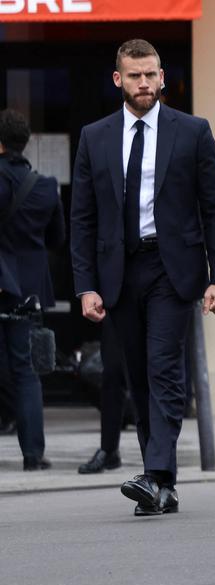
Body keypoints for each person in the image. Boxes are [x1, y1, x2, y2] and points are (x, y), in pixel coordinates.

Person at [70, 39, 215, 516]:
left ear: (162, 77)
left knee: (164, 368)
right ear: (118, 80)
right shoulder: (94, 137)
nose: (144, 83)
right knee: (138, 376)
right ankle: (161, 484)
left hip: (172, 268)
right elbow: (81, 217)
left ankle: (154, 473)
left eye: (151, 75)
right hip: (118, 271)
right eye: (134, 76)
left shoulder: (193, 132)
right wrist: (86, 284)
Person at [0, 108, 64, 470]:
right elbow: (57, 238)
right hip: (28, 291)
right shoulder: (45, 186)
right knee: (26, 371)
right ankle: (33, 456)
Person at [77, 320, 128, 474]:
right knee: (111, 373)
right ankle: (108, 449)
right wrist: (88, 293)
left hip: (156, 303)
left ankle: (160, 457)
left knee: (155, 373)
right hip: (119, 304)